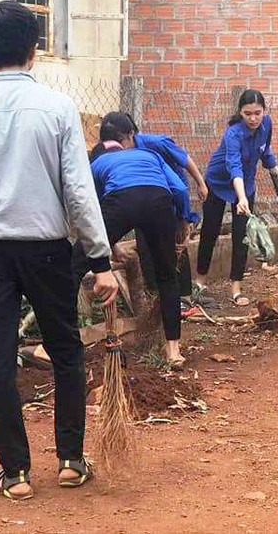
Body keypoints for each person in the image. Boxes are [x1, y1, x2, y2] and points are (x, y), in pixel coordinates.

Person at [0, 1, 118, 500]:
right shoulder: (59, 109)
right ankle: (69, 461)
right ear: (34, 49)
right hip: (46, 249)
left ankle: (15, 473)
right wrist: (100, 261)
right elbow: (79, 190)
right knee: (65, 350)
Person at [75, 113, 195, 369]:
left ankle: (60, 342)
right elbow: (181, 189)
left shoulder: (97, 163)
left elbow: (93, 211)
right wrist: (183, 221)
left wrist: (109, 244)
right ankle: (173, 350)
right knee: (166, 276)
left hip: (121, 202)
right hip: (158, 202)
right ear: (127, 138)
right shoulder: (151, 156)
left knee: (72, 267)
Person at [95, 113, 208, 313]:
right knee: (146, 248)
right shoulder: (113, 156)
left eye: (121, 141)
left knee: (176, 247)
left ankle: (184, 298)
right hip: (141, 201)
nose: (118, 147)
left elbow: (184, 159)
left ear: (131, 135)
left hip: (170, 196)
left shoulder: (154, 143)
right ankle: (157, 298)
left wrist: (200, 183)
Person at [194, 89, 278, 307]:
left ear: (264, 111)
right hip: (218, 182)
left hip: (247, 184)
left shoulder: (267, 124)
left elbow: (265, 150)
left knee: (241, 236)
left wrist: (275, 170)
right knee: (210, 231)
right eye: (247, 114)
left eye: (257, 113)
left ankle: (235, 287)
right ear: (240, 113)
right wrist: (241, 197)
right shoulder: (233, 133)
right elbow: (234, 166)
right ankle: (200, 281)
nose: (253, 118)